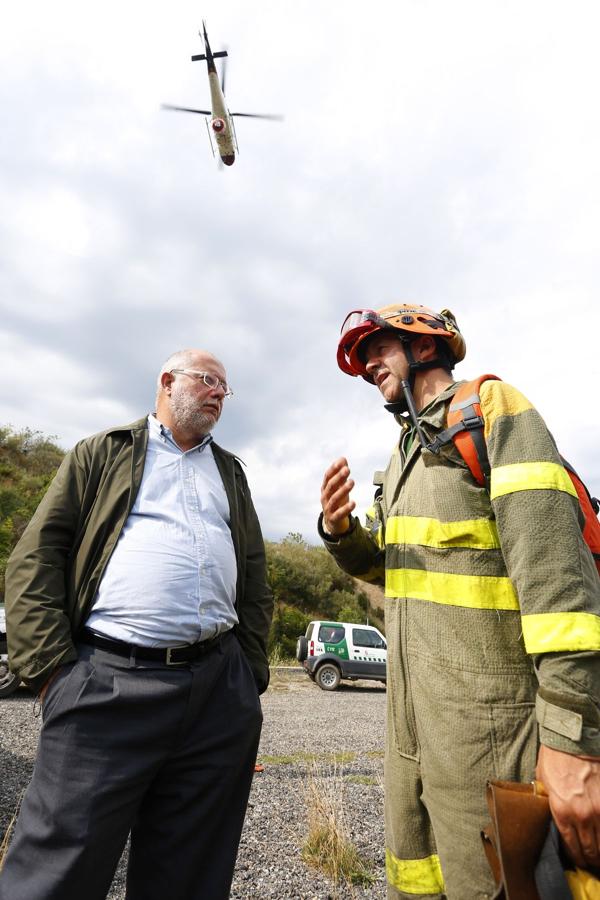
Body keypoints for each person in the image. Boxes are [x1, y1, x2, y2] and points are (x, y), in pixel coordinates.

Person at [319, 305, 600, 899]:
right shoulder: (402, 457)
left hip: (496, 737)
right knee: (420, 880)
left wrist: (572, 740)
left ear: (426, 343)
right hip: (413, 734)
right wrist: (343, 535)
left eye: (379, 346)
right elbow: (394, 572)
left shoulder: (494, 412)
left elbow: (562, 593)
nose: (369, 363)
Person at [2, 349, 274, 900]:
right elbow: (36, 556)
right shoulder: (102, 453)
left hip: (216, 696)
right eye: (208, 381)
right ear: (167, 382)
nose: (220, 393)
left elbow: (253, 574)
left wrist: (247, 675)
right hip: (106, 685)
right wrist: (54, 674)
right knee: (57, 870)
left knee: (190, 873)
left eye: (225, 387)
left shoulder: (230, 472)